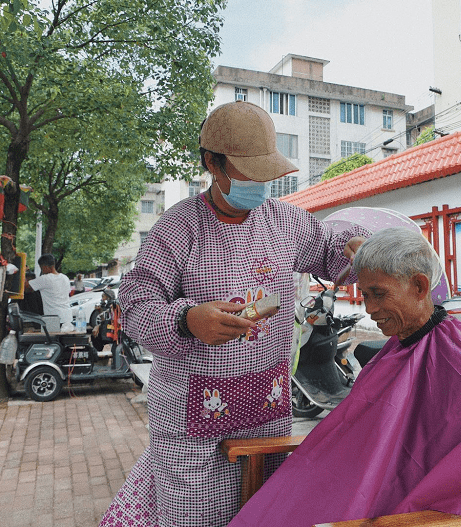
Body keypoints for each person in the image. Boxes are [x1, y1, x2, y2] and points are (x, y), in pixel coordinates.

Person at [99, 100, 368, 527]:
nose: (260, 184)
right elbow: (134, 303)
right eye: (248, 171)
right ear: (212, 164)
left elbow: (330, 253)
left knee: (266, 514)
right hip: (192, 420)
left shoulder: (285, 222)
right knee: (195, 518)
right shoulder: (178, 227)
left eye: (266, 172)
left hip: (268, 407)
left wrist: (353, 250)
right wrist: (187, 320)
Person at [229, 227, 461, 526]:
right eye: (365, 294)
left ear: (419, 286)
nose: (370, 308)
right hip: (359, 481)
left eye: (378, 294)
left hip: (396, 509)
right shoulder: (400, 345)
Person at [25, 254, 74, 332]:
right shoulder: (65, 278)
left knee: (50, 342)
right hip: (67, 317)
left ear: (45, 267)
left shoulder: (45, 279)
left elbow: (26, 287)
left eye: (42, 268)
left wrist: (24, 270)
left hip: (53, 318)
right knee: (60, 342)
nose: (42, 271)